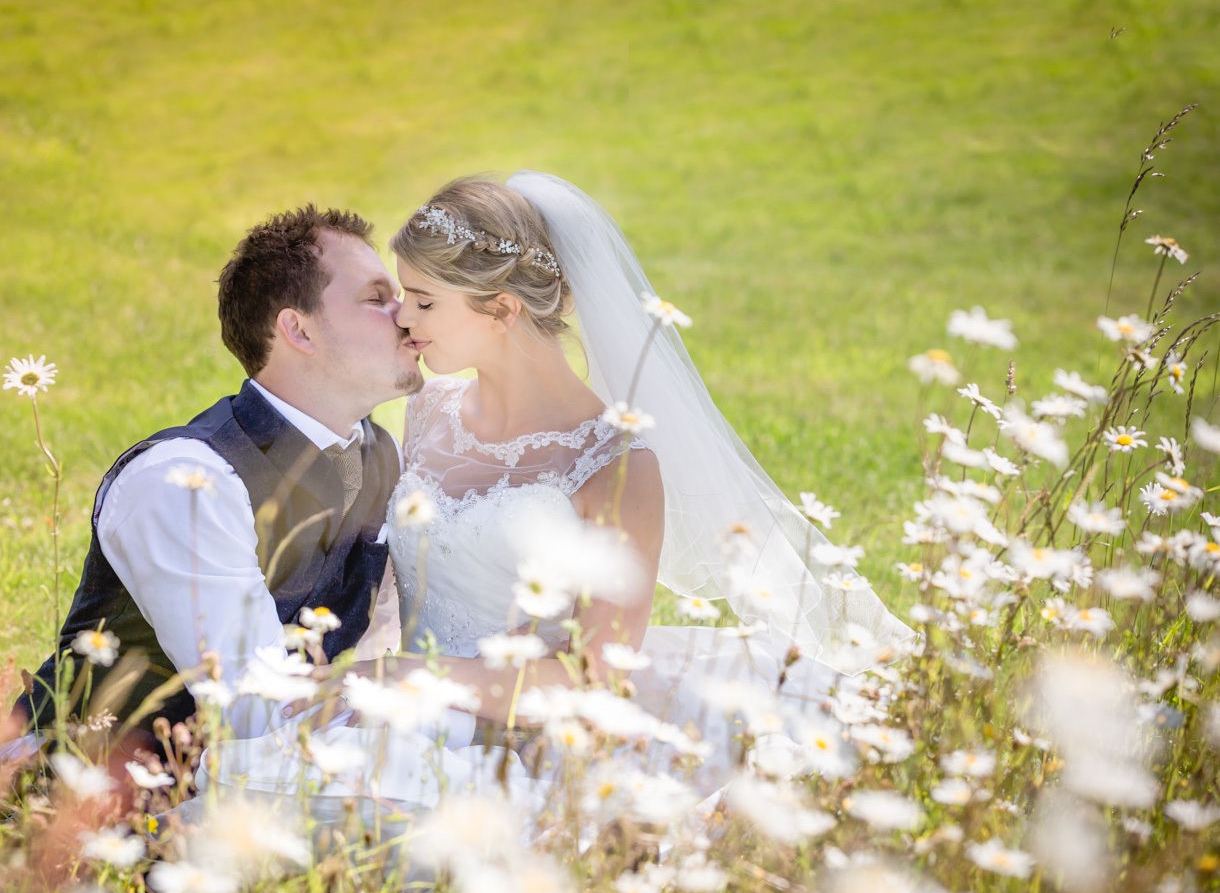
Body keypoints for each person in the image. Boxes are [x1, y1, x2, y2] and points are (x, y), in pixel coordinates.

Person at [194, 173, 919, 815]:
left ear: (503, 310)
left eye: (423, 300)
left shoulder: (616, 465)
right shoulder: (428, 413)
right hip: (402, 705)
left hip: (531, 735)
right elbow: (400, 578)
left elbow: (595, 679)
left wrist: (411, 677)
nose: (403, 322)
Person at [4, 205, 425, 770]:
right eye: (378, 299)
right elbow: (249, 707)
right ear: (298, 329)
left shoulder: (381, 456)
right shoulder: (183, 481)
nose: (409, 317)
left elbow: (373, 642)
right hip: (92, 797)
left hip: (285, 770)